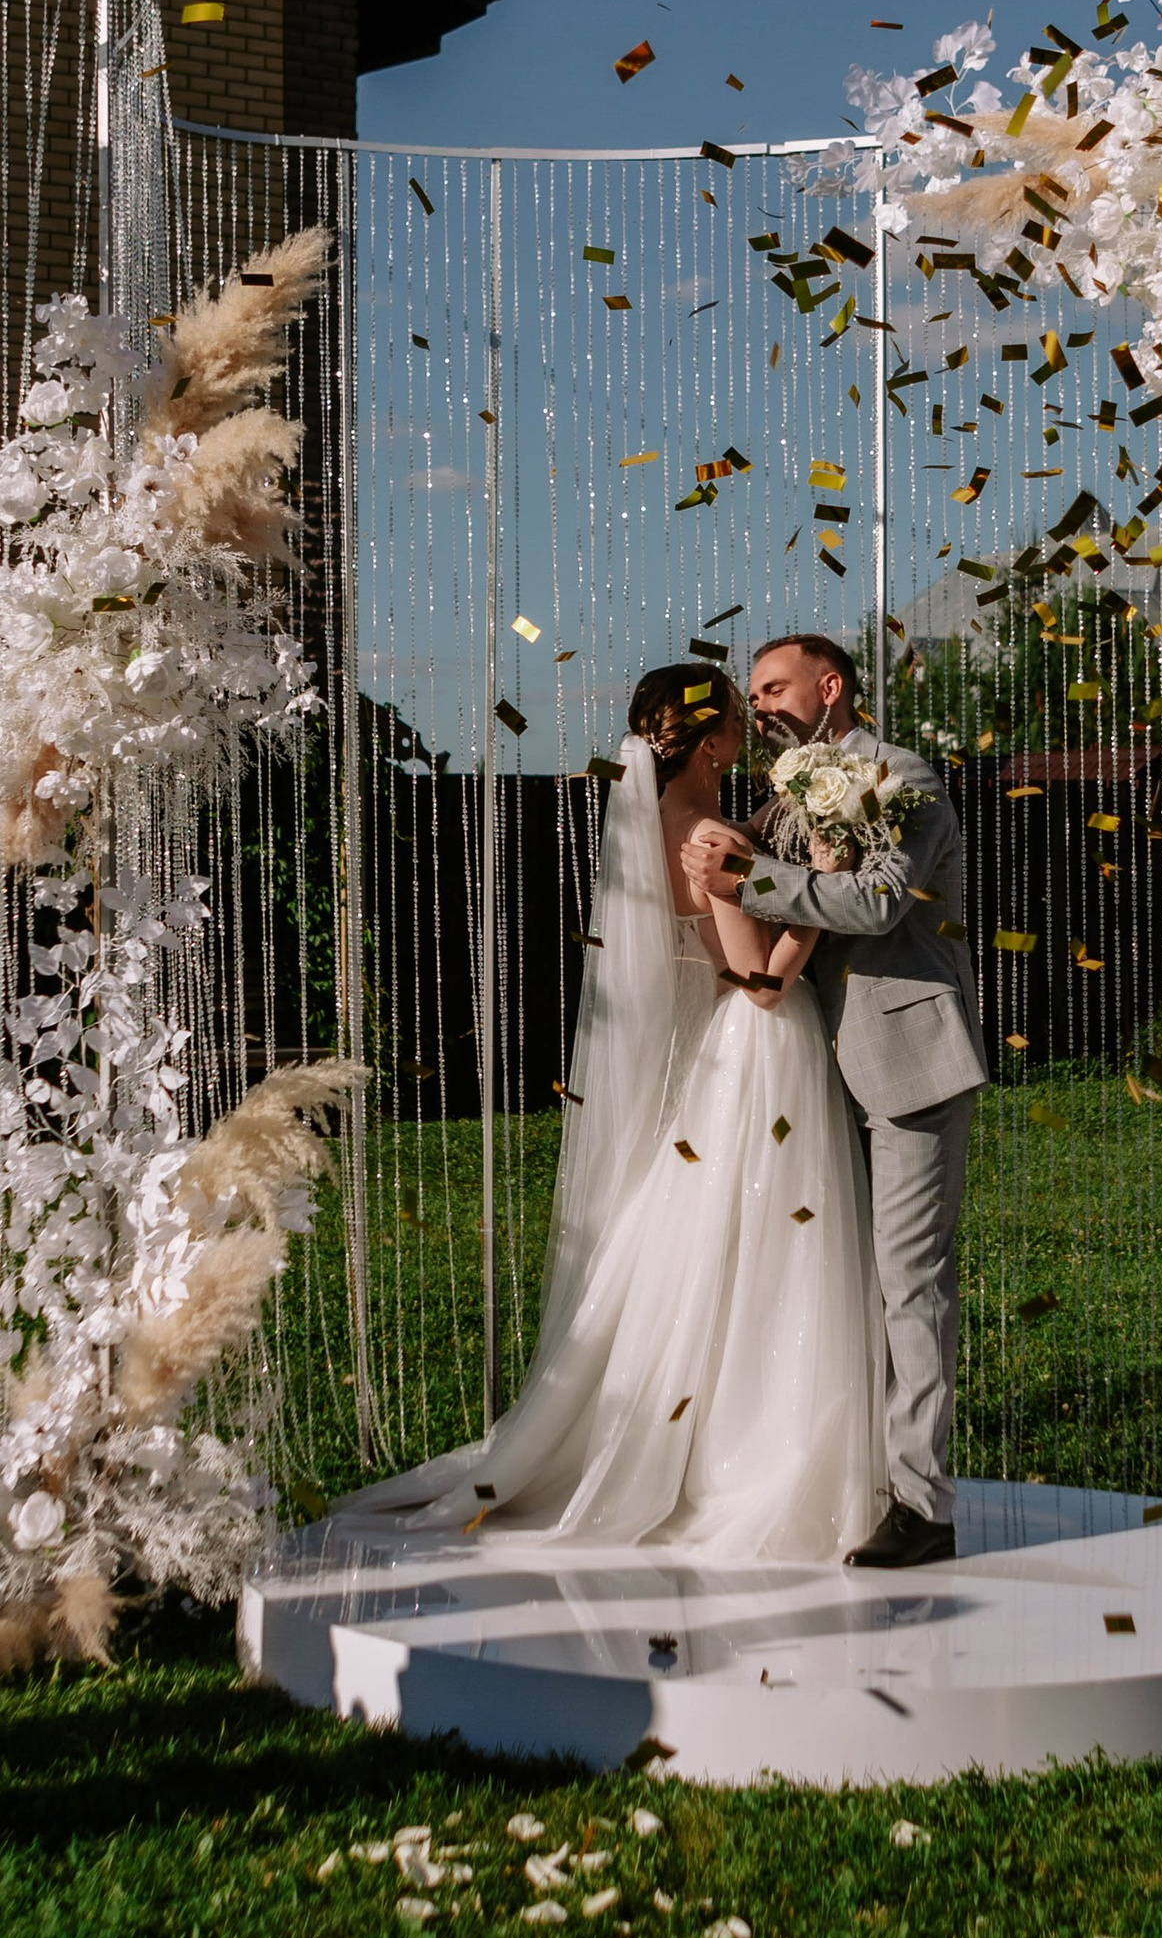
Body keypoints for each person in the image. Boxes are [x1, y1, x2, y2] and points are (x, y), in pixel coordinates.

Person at [343, 663, 882, 1561]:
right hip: (761, 1050)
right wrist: (822, 891)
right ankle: (756, 1449)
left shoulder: (661, 822)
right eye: (734, 721)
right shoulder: (709, 831)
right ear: (709, 742)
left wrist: (767, 835)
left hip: (711, 1057)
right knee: (769, 1242)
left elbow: (716, 885)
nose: (748, 730)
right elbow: (755, 981)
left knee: (707, 1238)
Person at [682, 633, 985, 1569]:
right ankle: (849, 1471)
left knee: (910, 1284)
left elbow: (878, 903)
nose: (761, 703)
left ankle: (924, 1506)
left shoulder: (906, 778)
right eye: (754, 692)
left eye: (774, 687)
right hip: (816, 1070)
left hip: (908, 1059)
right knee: (838, 1280)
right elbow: (775, 897)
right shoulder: (786, 796)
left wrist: (751, 875)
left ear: (831, 686)